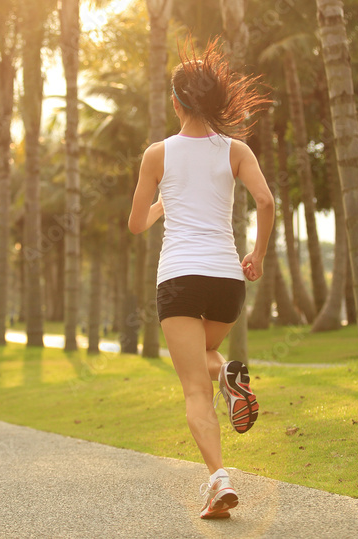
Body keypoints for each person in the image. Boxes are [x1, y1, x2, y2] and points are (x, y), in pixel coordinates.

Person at [128, 40, 274, 520]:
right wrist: (256, 254)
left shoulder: (157, 154)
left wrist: (165, 199)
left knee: (193, 387)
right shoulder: (236, 150)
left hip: (180, 278)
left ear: (176, 102)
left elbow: (135, 224)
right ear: (213, 102)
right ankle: (229, 375)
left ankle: (218, 479)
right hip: (227, 279)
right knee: (205, 356)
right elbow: (267, 203)